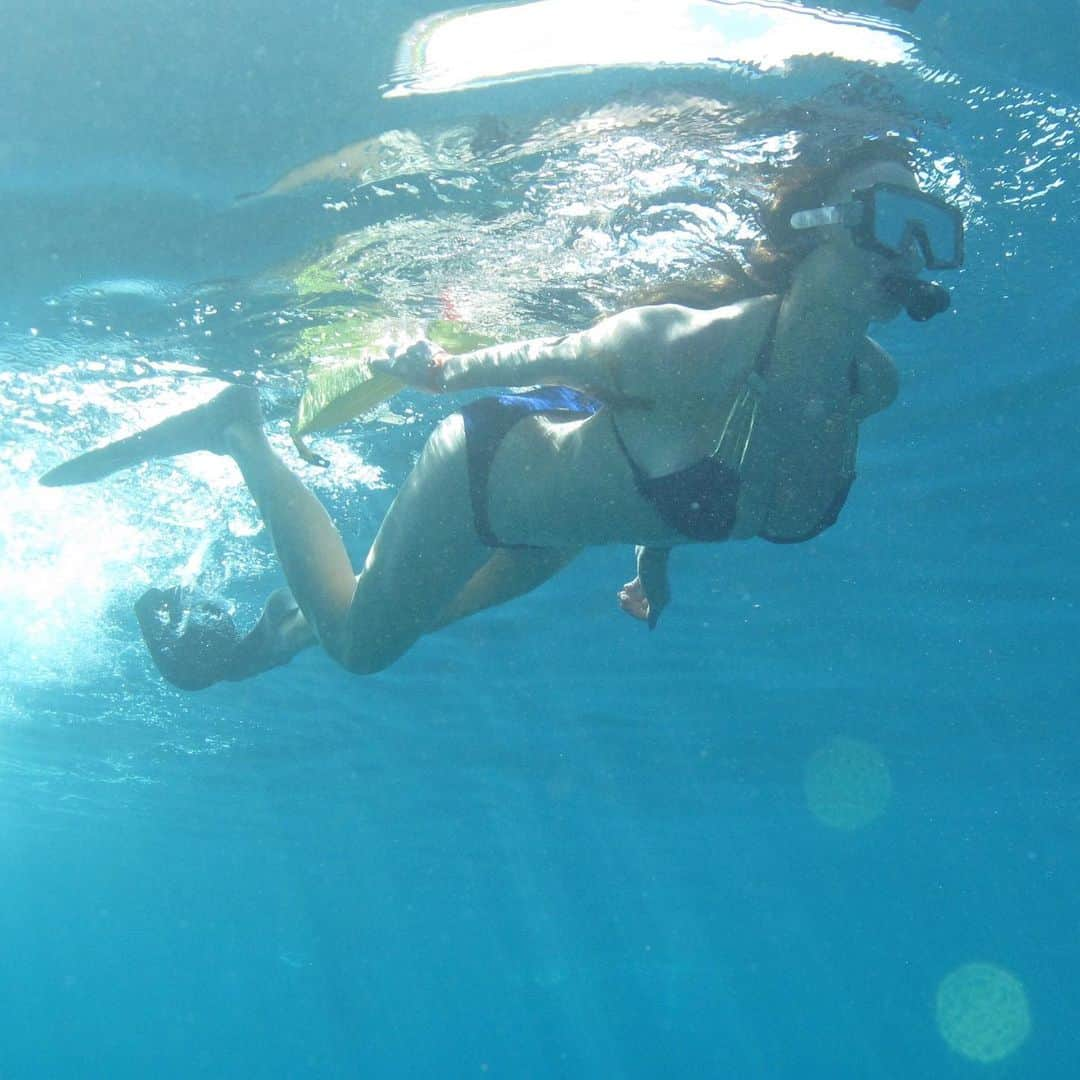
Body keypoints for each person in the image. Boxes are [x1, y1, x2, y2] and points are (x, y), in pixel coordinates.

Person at [41, 138, 964, 689]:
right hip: (486, 478)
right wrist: (433, 371)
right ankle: (234, 427)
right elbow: (550, 358)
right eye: (888, 215)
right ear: (812, 232)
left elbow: (725, 454)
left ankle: (278, 633)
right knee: (366, 648)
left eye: (932, 222)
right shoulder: (694, 341)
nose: (913, 247)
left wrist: (657, 565)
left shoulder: (868, 388)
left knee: (412, 616)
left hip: (565, 522)